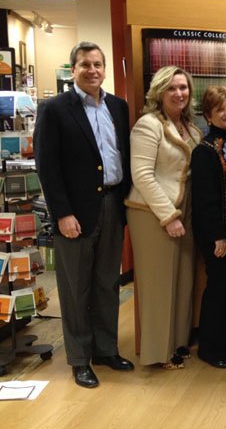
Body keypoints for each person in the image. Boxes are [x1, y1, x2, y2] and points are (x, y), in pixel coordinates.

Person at [34, 41, 133, 388]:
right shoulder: (55, 109)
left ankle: (106, 349)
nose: (92, 70)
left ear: (105, 68)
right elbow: (47, 166)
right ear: (73, 69)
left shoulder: (118, 107)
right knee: (76, 287)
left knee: (107, 283)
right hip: (74, 212)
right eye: (84, 64)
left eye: (97, 64)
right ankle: (79, 358)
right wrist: (61, 213)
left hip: (112, 203)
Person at [125, 66, 202, 370]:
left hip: (185, 213)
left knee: (182, 281)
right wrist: (168, 216)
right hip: (152, 213)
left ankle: (177, 344)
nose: (179, 93)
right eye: (171, 88)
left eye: (183, 88)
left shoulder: (190, 128)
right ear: (159, 91)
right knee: (158, 284)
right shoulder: (148, 125)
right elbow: (142, 175)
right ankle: (158, 352)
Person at [190, 86, 226, 369]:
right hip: (218, 233)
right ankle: (210, 348)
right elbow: (205, 201)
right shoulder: (204, 150)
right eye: (220, 109)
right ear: (208, 117)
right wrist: (217, 237)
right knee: (219, 288)